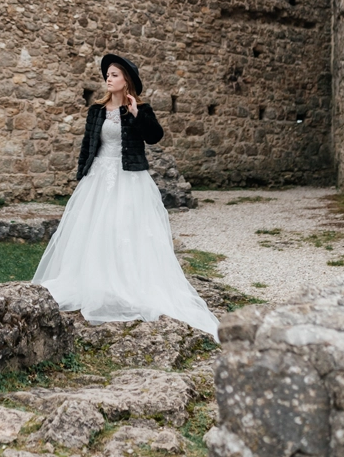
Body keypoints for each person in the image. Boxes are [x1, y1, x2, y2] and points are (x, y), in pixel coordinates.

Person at [32, 54, 219, 339]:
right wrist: (82, 176)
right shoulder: (96, 110)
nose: (109, 78)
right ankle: (95, 283)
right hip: (98, 177)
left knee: (124, 229)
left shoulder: (139, 108)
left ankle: (128, 285)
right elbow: (88, 144)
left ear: (126, 81)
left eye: (115, 74)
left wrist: (136, 114)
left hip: (129, 177)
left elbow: (155, 136)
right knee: (94, 229)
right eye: (107, 74)